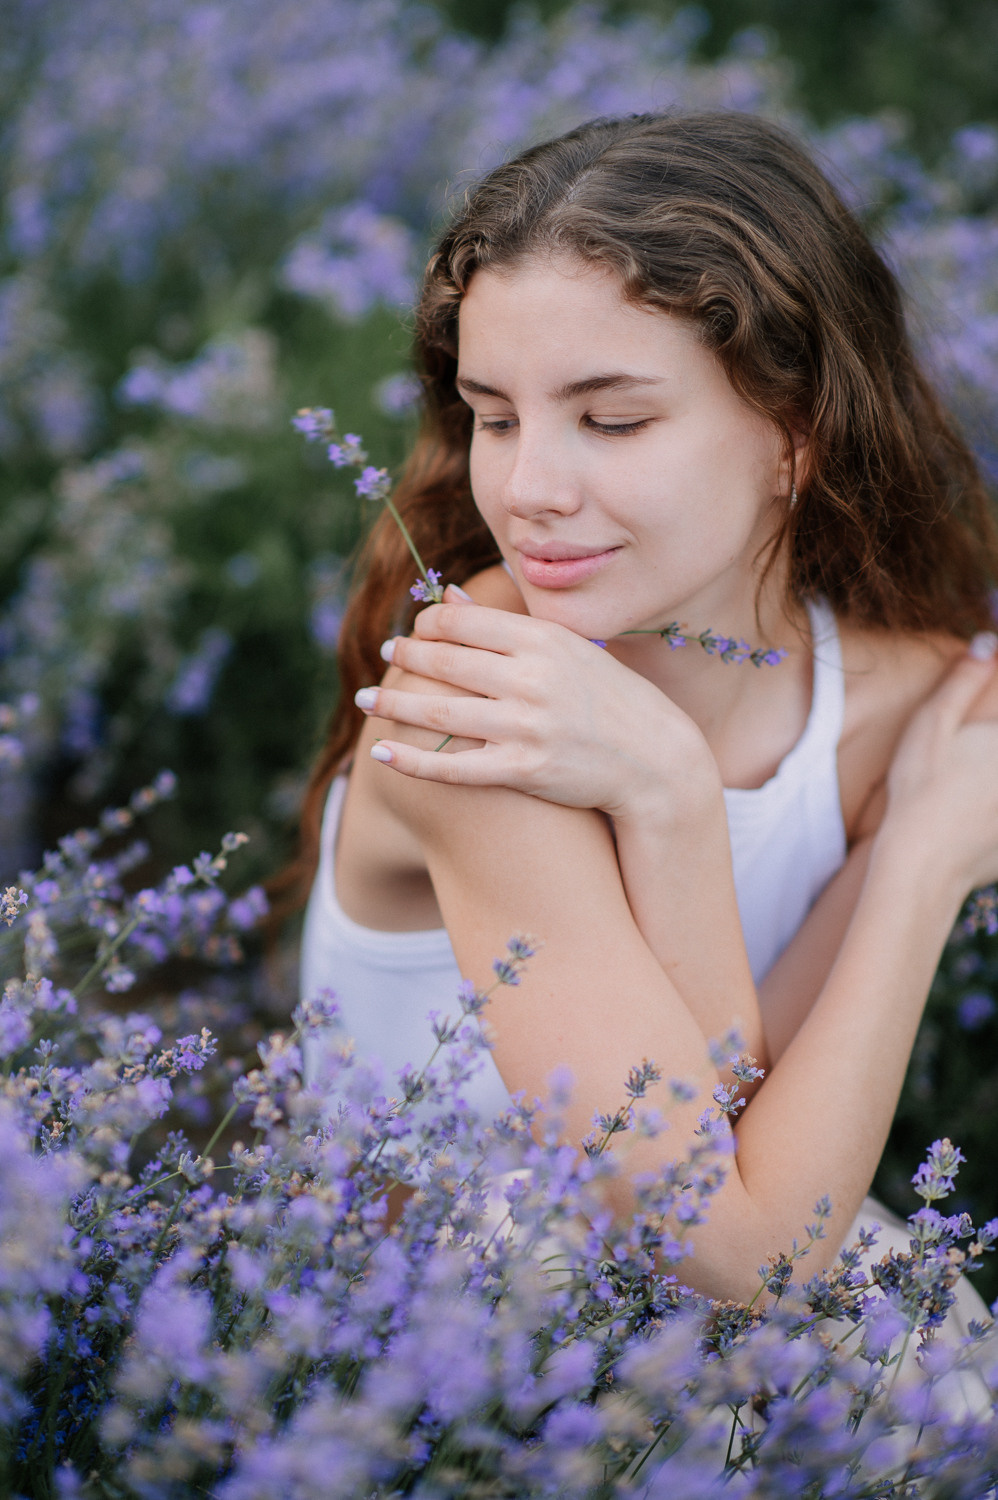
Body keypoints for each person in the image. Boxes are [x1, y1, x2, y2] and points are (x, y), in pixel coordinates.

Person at [296, 111, 998, 1304]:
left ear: (796, 435)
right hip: (414, 1343)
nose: (526, 490)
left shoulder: (907, 701)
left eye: (611, 420)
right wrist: (919, 862)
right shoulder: (474, 702)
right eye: (494, 416)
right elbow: (732, 1251)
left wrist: (686, 812)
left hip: (670, 1286)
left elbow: (741, 1121)